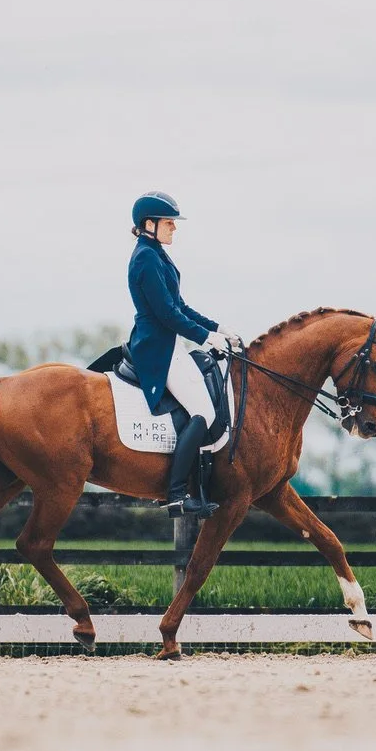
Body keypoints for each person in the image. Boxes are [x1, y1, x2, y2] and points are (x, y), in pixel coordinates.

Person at [127, 192, 243, 517]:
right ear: (149, 224)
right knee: (204, 413)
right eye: (169, 223)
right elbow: (167, 314)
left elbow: (181, 307)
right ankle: (176, 494)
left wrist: (218, 329)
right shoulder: (146, 259)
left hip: (168, 344)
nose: (174, 229)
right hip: (157, 348)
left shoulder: (157, 255)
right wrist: (207, 339)